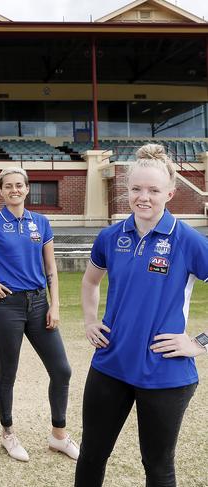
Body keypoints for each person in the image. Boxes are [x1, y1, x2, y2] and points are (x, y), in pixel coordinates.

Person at [75, 144, 208, 487]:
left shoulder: (189, 241)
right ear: (127, 191)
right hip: (110, 366)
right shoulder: (110, 237)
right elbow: (90, 282)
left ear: (170, 193)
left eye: (153, 190)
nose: (143, 197)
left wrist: (199, 342)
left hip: (165, 373)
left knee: (158, 467)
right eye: (136, 189)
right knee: (92, 454)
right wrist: (91, 321)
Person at [0, 167, 78, 462]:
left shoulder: (41, 222)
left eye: (19, 185)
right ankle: (8, 433)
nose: (14, 190)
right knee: (8, 372)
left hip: (38, 305)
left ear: (26, 188)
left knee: (62, 370)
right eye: (8, 186)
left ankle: (58, 435)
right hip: (6, 306)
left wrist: (55, 304)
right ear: (1, 191)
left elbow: (50, 268)